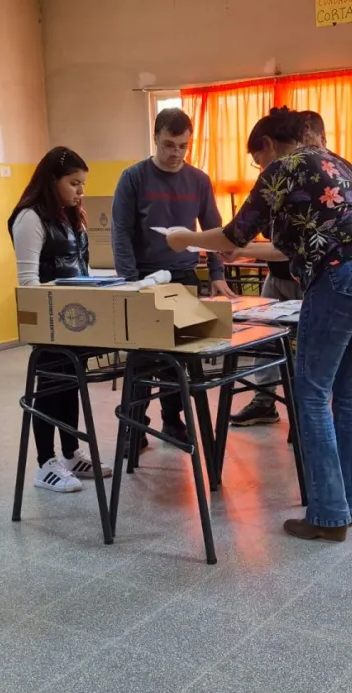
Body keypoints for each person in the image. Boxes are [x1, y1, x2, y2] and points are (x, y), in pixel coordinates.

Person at [166, 107, 352, 542]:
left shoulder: (283, 167)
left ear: (269, 146)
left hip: (342, 276)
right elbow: (305, 241)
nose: (260, 168)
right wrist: (244, 250)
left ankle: (327, 516)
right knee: (347, 393)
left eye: (258, 159)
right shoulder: (340, 164)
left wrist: (186, 239)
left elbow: (233, 235)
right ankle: (345, 505)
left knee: (310, 394)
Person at [230, 109, 352, 427]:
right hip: (289, 275)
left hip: (321, 276)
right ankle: (266, 401)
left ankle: (312, 420)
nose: (261, 168)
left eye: (259, 159)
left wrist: (229, 246)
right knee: (266, 339)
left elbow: (290, 242)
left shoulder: (307, 168)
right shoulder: (297, 172)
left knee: (314, 372)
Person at [111, 108, 236, 443]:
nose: (175, 153)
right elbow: (120, 231)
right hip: (145, 278)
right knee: (143, 358)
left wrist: (216, 272)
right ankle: (135, 429)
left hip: (184, 276)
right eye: (168, 144)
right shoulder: (133, 177)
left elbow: (213, 229)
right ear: (155, 138)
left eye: (182, 145)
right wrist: (130, 280)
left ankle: (173, 420)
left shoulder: (198, 180)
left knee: (180, 357)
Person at [9, 146, 113, 492]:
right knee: (50, 390)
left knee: (71, 386)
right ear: (51, 181)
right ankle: (45, 464)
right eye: (74, 183)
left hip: (76, 321)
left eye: (82, 184)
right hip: (51, 323)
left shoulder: (71, 217)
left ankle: (70, 453)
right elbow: (29, 283)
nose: (80, 191)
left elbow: (80, 269)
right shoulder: (29, 218)